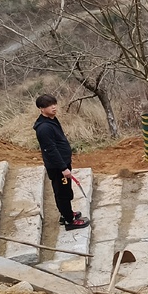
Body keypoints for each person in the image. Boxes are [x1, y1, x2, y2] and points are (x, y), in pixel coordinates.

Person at [33, 94, 91, 230]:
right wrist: (63, 168)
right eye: (49, 105)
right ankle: (69, 221)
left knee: (65, 191)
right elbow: (50, 150)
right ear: (41, 108)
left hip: (62, 163)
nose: (53, 107)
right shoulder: (44, 128)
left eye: (54, 104)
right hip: (58, 167)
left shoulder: (52, 120)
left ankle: (67, 214)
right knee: (62, 193)